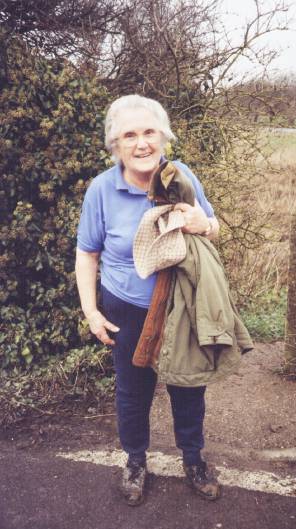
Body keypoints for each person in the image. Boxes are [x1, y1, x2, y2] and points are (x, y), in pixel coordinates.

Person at [75, 94, 221, 506]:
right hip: (124, 307)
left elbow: (214, 227)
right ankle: (136, 460)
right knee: (133, 389)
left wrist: (202, 223)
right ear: (115, 145)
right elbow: (87, 253)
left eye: (149, 132)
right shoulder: (102, 190)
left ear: (164, 137)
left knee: (188, 385)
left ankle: (193, 459)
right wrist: (92, 312)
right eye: (130, 135)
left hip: (182, 305)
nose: (142, 144)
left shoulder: (181, 176)